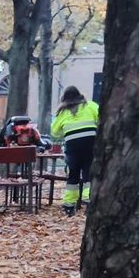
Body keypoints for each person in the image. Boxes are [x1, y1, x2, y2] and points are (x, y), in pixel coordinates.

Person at [50, 85, 100, 215]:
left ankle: (69, 205)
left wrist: (65, 131)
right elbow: (100, 119)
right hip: (90, 143)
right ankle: (88, 199)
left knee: (73, 174)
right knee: (88, 171)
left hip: (72, 145)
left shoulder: (63, 112)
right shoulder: (91, 105)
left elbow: (54, 132)